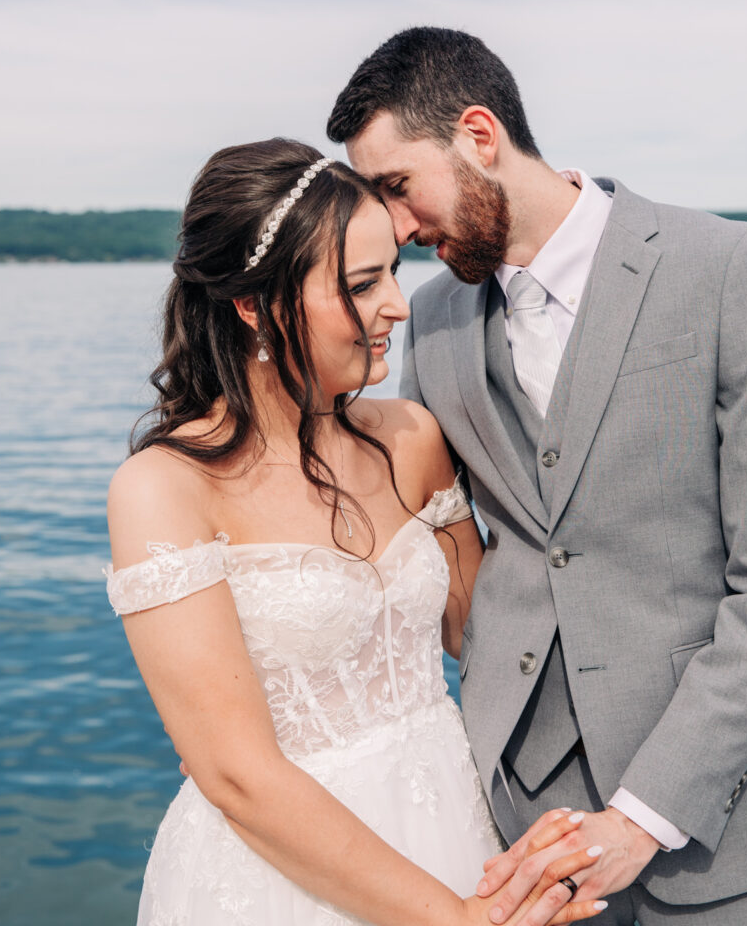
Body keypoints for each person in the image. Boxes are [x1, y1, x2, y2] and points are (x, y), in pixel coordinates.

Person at [326, 27, 747, 926]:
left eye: (396, 186)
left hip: (721, 827)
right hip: (512, 821)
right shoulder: (430, 317)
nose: (396, 227)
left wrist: (645, 815)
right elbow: (399, 528)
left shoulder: (726, 268)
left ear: (478, 134)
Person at [104, 139, 607, 926]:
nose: (400, 307)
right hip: (282, 870)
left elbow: (492, 636)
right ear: (254, 303)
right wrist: (457, 919)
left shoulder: (412, 438)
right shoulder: (164, 490)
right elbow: (236, 774)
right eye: (363, 284)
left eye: (394, 274)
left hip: (453, 821)